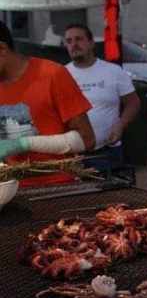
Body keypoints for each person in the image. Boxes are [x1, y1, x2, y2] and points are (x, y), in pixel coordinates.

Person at [0, 20, 95, 184]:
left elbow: (86, 140)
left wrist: (24, 144)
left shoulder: (52, 74)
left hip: (57, 188)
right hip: (11, 190)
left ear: (2, 49)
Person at [63, 24, 140, 172]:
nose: (74, 45)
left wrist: (121, 125)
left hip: (107, 152)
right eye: (69, 41)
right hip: (73, 153)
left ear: (91, 43)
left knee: (109, 195)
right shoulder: (61, 75)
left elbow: (133, 103)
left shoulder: (114, 71)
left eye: (79, 39)